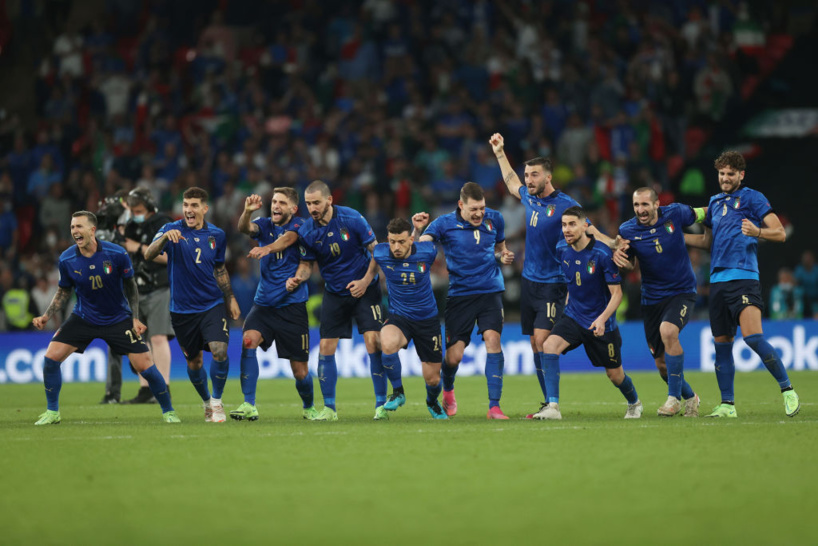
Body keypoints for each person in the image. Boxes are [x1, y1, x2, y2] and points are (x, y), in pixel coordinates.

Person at [489, 132, 617, 418]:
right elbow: (511, 183)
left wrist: (614, 245)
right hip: (529, 281)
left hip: (554, 283)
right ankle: (548, 402)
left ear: (548, 177)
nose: (528, 180)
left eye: (534, 175)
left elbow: (590, 230)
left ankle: (553, 404)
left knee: (543, 338)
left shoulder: (565, 205)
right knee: (535, 342)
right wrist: (500, 153)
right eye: (527, 175)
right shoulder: (529, 198)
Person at [31, 211, 178, 424]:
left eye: (79, 227)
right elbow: (63, 291)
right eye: (72, 227)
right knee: (51, 358)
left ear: (92, 230)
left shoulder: (116, 253)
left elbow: (131, 286)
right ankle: (52, 412)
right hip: (84, 317)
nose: (75, 231)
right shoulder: (67, 259)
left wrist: (135, 318)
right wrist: (46, 316)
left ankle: (169, 411)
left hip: (118, 318)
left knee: (145, 365)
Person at [685, 150, 799, 418]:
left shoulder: (752, 198)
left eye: (730, 174)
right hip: (718, 282)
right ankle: (727, 405)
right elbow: (705, 242)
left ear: (741, 175)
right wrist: (676, 239)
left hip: (744, 277)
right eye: (721, 174)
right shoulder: (714, 202)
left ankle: (788, 390)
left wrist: (757, 231)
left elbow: (780, 232)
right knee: (722, 344)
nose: (725, 178)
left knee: (753, 337)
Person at [412, 182, 514, 419]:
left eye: (482, 208)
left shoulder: (495, 219)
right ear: (461, 205)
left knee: (493, 340)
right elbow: (421, 246)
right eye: (474, 209)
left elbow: (499, 246)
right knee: (453, 356)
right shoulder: (444, 223)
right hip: (460, 296)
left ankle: (494, 406)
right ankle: (448, 389)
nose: (479, 213)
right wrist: (416, 231)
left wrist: (503, 255)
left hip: (490, 291)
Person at [286, 180, 386, 421]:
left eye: (316, 202)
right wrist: (298, 278)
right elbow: (307, 266)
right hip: (335, 292)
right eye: (308, 203)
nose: (312, 208)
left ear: (329, 200)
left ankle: (381, 405)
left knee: (373, 341)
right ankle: (329, 408)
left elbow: (378, 251)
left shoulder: (352, 219)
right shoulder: (307, 231)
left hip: (366, 289)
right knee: (325, 347)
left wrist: (364, 281)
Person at [534, 206, 642, 420]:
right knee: (549, 345)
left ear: (585, 226)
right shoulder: (561, 249)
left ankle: (634, 402)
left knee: (615, 375)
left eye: (572, 224)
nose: (567, 229)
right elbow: (572, 282)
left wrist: (602, 319)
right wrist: (566, 306)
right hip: (574, 316)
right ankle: (553, 406)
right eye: (564, 224)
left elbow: (617, 294)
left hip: (601, 324)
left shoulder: (601, 254)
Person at [145, 187, 241, 423]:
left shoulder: (216, 235)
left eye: (194, 205)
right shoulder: (171, 229)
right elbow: (148, 254)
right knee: (194, 361)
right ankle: (207, 402)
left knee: (219, 350)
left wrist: (230, 297)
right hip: (182, 310)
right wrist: (165, 239)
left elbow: (220, 269)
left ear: (204, 209)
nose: (188, 209)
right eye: (186, 205)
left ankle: (217, 402)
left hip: (211, 304)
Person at [614, 187, 701, 417]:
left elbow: (706, 213)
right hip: (651, 299)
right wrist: (621, 258)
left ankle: (673, 400)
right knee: (662, 365)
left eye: (645, 205)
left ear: (656, 204)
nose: (640, 210)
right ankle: (691, 397)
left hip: (681, 291)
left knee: (669, 330)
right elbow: (631, 264)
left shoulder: (676, 213)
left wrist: (712, 236)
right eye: (636, 205)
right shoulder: (627, 229)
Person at [234, 189, 317, 421]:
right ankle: (248, 404)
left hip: (292, 307)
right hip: (264, 305)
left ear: (293, 208)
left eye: (282, 202)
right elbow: (244, 228)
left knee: (300, 372)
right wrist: (247, 212)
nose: (276, 206)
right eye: (273, 202)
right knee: (248, 341)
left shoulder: (302, 225)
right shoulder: (264, 224)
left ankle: (309, 406)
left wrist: (268, 249)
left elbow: (288, 240)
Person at [102, 188, 175, 405]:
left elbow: (171, 257)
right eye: (132, 210)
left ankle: (164, 387)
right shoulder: (132, 225)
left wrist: (139, 247)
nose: (136, 213)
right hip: (136, 290)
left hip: (159, 287)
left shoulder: (164, 224)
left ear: (150, 207)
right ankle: (146, 389)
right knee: (139, 340)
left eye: (139, 210)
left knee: (159, 337)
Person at [372, 218, 447, 420]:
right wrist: (363, 281)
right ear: (387, 239)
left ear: (411, 239)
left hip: (427, 320)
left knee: (433, 379)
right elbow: (373, 264)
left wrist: (419, 227)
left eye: (402, 242)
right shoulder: (380, 252)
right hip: (400, 317)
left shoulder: (427, 252)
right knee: (385, 342)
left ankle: (432, 402)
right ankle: (398, 392)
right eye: (392, 241)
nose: (396, 247)